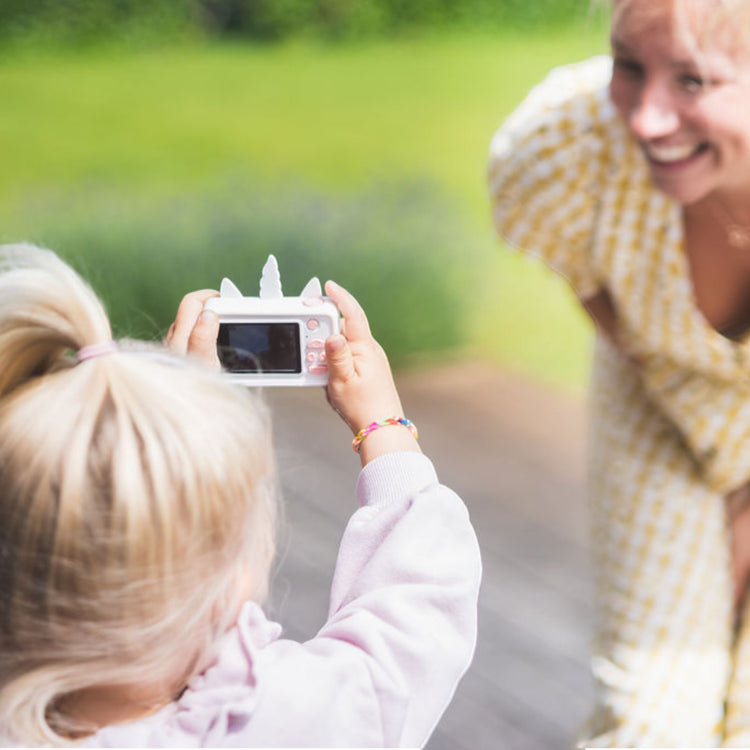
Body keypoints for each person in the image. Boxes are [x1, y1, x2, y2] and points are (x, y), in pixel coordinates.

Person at [0, 242, 481, 747]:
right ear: (234, 587)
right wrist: (383, 425)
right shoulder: (293, 720)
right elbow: (416, 614)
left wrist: (176, 422)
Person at [488, 0, 750, 746]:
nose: (647, 120)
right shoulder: (566, 149)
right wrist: (711, 443)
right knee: (653, 714)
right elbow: (601, 294)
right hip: (663, 388)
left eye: (694, 81)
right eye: (629, 66)